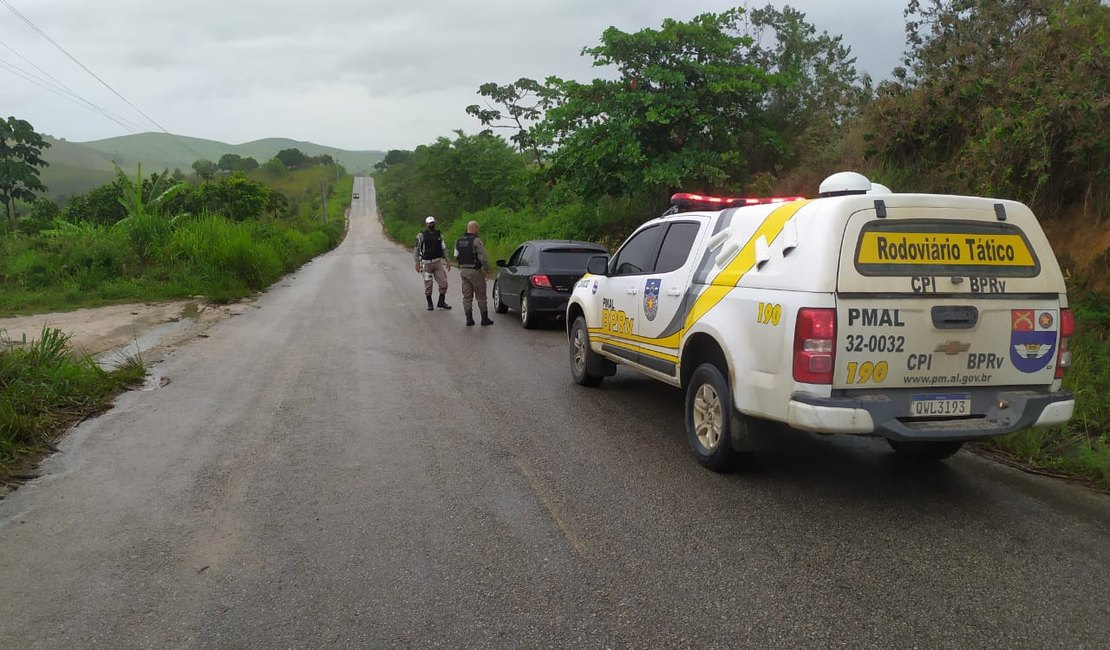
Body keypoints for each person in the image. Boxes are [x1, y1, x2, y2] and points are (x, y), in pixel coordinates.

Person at [453, 220, 494, 327]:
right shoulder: (476, 241)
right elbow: (483, 257)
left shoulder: (458, 241)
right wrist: (486, 270)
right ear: (475, 229)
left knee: (467, 296)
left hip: (463, 271)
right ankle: (484, 319)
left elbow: (456, 256)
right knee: (481, 295)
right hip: (475, 271)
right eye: (477, 229)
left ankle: (469, 320)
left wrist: (460, 265)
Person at [413, 216, 451, 311]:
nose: (431, 225)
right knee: (428, 285)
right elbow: (416, 250)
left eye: (432, 223)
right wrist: (417, 263)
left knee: (444, 283)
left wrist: (447, 260)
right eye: (429, 223)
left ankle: (441, 302)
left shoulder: (439, 234)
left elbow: (443, 248)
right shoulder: (421, 236)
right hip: (426, 264)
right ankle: (430, 303)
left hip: (437, 262)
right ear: (426, 224)